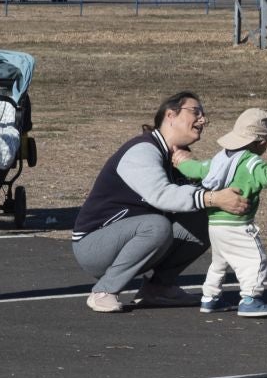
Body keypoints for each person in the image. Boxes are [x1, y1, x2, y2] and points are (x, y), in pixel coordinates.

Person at [71, 93, 250, 311]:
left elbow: (194, 198)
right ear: (170, 115)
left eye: (204, 115)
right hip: (92, 246)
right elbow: (163, 196)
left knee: (205, 214)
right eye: (196, 112)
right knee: (156, 226)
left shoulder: (174, 156)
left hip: (131, 237)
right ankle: (104, 291)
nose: (203, 120)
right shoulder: (142, 151)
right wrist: (213, 197)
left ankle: (159, 288)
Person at [172, 107, 267, 317]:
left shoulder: (221, 159)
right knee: (256, 259)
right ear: (261, 142)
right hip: (238, 224)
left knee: (219, 263)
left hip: (215, 224)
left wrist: (182, 162)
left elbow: (197, 170)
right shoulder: (251, 161)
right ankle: (250, 298)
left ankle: (209, 298)